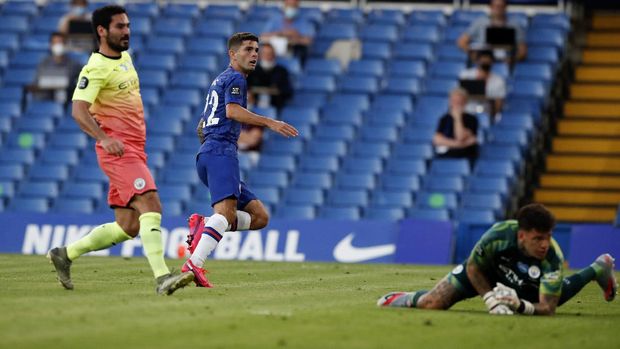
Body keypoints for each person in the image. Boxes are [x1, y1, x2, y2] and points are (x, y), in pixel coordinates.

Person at [47, 5, 194, 295]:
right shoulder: (95, 68)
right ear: (102, 31)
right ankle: (162, 277)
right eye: (119, 27)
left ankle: (64, 254)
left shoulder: (124, 57)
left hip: (135, 149)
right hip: (118, 152)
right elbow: (78, 110)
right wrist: (103, 137)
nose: (127, 31)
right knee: (150, 203)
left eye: (127, 25)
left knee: (127, 226)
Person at [181, 32, 299, 288]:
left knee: (259, 217)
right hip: (220, 152)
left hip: (210, 153)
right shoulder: (235, 78)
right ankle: (195, 263)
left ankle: (204, 226)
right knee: (224, 214)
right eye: (248, 49)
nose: (254, 54)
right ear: (232, 54)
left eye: (256, 50)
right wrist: (270, 122)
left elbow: (202, 124)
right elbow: (232, 111)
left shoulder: (220, 79)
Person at [378, 203, 618, 315]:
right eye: (538, 239)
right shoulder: (498, 235)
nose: (544, 244)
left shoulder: (552, 257)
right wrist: (491, 299)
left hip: (525, 284)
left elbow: (548, 308)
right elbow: (473, 267)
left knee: (558, 296)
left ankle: (598, 268)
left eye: (548, 237)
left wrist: (520, 306)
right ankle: (405, 298)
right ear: (521, 235)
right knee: (433, 304)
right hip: (486, 273)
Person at [457, 0, 527, 62]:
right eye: (496, 6)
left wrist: (511, 60)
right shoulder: (480, 22)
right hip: (483, 63)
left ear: (505, 8)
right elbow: (462, 41)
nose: (498, 9)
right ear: (490, 7)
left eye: (501, 6)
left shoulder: (514, 25)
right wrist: (472, 53)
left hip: (505, 63)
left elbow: (522, 51)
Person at [31, 32, 82, 104]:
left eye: (60, 42)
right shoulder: (44, 63)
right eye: (55, 43)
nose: (58, 45)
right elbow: (37, 83)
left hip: (67, 100)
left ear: (65, 45)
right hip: (45, 99)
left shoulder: (74, 64)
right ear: (50, 45)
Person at [433, 88, 479, 166]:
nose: (456, 104)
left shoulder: (471, 119)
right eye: (453, 101)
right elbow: (437, 140)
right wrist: (459, 144)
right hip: (445, 157)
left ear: (464, 102)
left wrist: (457, 118)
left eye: (459, 102)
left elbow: (460, 137)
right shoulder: (444, 119)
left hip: (464, 158)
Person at [261, 0, 313, 65]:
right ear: (284, 5)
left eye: (294, 6)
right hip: (274, 54)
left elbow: (308, 41)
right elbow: (263, 37)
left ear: (298, 6)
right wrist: (281, 33)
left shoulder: (304, 21)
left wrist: (295, 37)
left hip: (293, 52)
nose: (291, 8)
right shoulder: (275, 19)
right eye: (289, 5)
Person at [459, 49, 506, 120]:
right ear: (478, 61)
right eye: (483, 60)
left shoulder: (499, 81)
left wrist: (492, 117)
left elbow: (498, 104)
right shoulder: (466, 75)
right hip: (467, 112)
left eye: (488, 61)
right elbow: (459, 96)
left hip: (486, 114)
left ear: (492, 62)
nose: (485, 62)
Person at [247, 42, 294, 112]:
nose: (267, 55)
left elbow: (287, 91)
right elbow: (245, 87)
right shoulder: (251, 71)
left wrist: (277, 93)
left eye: (270, 53)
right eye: (265, 53)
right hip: (253, 107)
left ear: (274, 55)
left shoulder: (281, 71)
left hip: (276, 107)